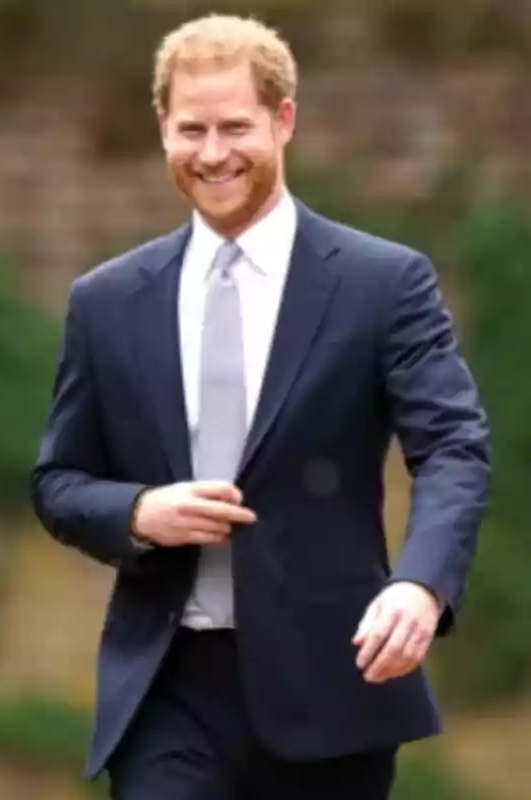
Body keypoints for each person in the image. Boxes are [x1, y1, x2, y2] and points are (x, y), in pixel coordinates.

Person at [31, 13, 489, 800]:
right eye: (191, 130)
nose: (212, 154)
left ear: (284, 120)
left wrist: (421, 584)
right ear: (163, 131)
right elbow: (59, 482)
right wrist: (139, 511)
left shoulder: (383, 284)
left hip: (334, 680)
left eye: (235, 127)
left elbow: (453, 447)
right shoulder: (105, 301)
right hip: (168, 687)